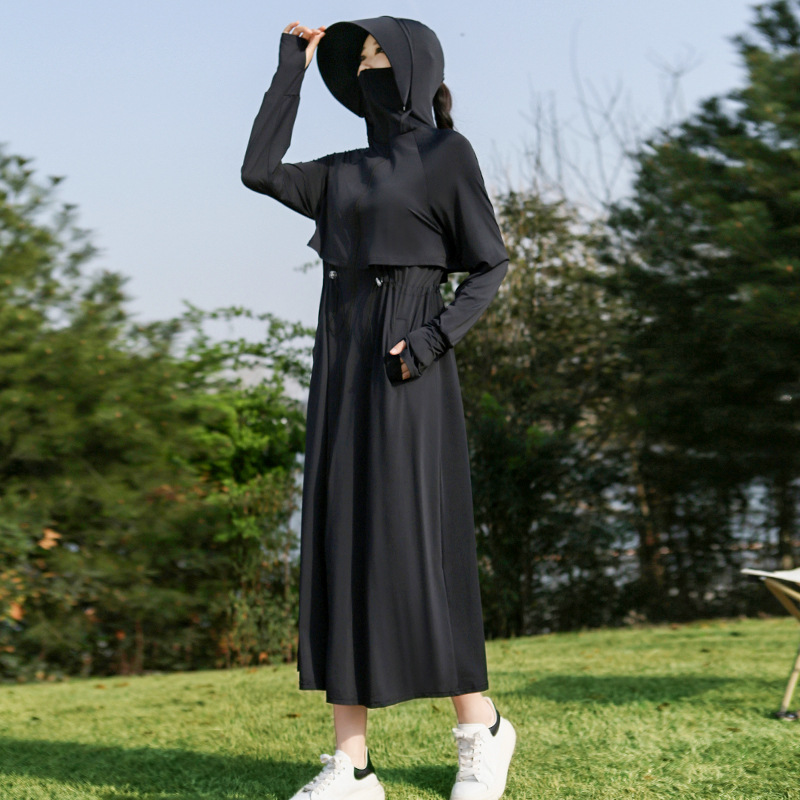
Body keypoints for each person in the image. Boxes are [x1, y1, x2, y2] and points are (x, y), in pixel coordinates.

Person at [241, 15, 515, 800]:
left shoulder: (447, 156)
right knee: (342, 542)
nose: (368, 69)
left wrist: (429, 342)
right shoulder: (343, 171)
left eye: (379, 55)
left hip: (407, 367)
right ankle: (352, 766)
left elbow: (490, 265)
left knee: (415, 543)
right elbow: (259, 170)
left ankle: (481, 729)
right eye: (360, 59)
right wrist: (291, 70)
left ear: (416, 68)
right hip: (341, 362)